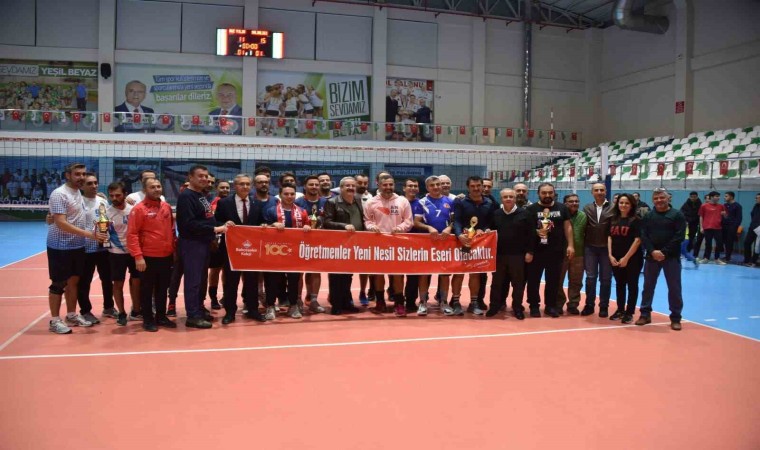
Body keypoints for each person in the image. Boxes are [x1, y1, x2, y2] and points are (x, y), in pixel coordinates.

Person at [46, 163, 107, 334]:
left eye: (83, 174)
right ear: (68, 175)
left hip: (77, 246)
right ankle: (54, 320)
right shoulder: (59, 194)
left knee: (73, 282)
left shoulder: (78, 193)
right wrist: (89, 235)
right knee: (58, 283)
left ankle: (71, 315)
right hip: (60, 246)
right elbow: (61, 222)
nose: (81, 177)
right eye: (77, 174)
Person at [176, 165, 231, 329]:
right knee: (193, 280)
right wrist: (215, 229)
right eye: (200, 176)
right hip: (192, 243)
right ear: (190, 177)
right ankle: (192, 316)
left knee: (201, 280)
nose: (204, 179)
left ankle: (199, 309)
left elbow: (206, 218)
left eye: (206, 176)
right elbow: (188, 224)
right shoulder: (186, 196)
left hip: (204, 243)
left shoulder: (201, 195)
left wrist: (222, 224)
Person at [214, 174, 265, 324]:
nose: (245, 187)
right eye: (242, 184)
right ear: (235, 186)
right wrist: (224, 224)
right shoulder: (224, 203)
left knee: (252, 281)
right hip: (231, 249)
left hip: (252, 250)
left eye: (248, 184)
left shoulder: (257, 203)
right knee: (231, 281)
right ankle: (230, 312)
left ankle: (253, 310)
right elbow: (216, 221)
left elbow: (262, 222)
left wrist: (264, 225)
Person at [127, 177, 176, 332]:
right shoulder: (139, 209)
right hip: (147, 257)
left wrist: (173, 250)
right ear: (145, 190)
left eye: (158, 186)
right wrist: (138, 256)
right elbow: (132, 234)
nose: (156, 189)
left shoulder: (166, 206)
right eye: (152, 187)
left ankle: (161, 316)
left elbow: (171, 229)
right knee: (147, 289)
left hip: (166, 256)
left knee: (163, 289)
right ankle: (148, 319)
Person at [364, 174, 414, 316]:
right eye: (385, 185)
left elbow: (408, 221)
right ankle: (380, 303)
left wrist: (400, 228)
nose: (388, 187)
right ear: (379, 185)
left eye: (391, 184)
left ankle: (399, 304)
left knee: (397, 274)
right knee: (379, 274)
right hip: (378, 243)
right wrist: (371, 226)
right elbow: (367, 220)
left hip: (397, 243)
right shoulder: (371, 202)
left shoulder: (402, 201)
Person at [262, 183, 312, 320]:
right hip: (275, 252)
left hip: (294, 252)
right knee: (272, 279)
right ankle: (270, 306)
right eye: (286, 194)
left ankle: (293, 306)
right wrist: (272, 225)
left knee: (294, 279)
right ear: (280, 195)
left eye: (292, 194)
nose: (289, 196)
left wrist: (307, 227)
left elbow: (309, 227)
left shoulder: (302, 211)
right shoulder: (270, 211)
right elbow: (262, 228)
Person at [638, 188, 686, 331]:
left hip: (671, 258)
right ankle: (645, 314)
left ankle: (675, 318)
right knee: (648, 287)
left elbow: (679, 236)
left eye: (662, 197)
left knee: (674, 288)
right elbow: (644, 235)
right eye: (656, 198)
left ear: (668, 198)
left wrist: (663, 252)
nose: (659, 200)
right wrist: (652, 251)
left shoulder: (677, 215)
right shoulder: (648, 216)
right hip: (651, 257)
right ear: (653, 200)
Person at [525, 182, 574, 318]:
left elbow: (568, 227)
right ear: (538, 194)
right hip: (536, 251)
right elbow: (527, 230)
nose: (547, 195)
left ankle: (550, 306)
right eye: (544, 193)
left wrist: (570, 245)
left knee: (553, 280)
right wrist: (531, 245)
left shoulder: (562, 208)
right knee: (533, 280)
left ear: (554, 193)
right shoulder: (531, 209)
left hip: (556, 251)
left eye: (550, 192)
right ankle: (534, 306)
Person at [451, 176, 497, 316]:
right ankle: (456, 302)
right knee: (459, 272)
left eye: (478, 185)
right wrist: (459, 234)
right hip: (462, 241)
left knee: (475, 272)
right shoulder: (460, 202)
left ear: (482, 186)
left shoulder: (489, 203)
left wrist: (485, 229)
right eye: (473, 186)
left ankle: (474, 303)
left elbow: (490, 222)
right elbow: (456, 220)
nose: (476, 188)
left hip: (479, 243)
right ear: (468, 187)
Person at [486, 188, 534, 319]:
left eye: (511, 197)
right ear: (501, 199)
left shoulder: (525, 214)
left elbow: (531, 234)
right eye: (505, 197)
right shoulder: (496, 214)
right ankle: (494, 307)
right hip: (499, 255)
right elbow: (490, 231)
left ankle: (517, 308)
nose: (508, 199)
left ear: (515, 198)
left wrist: (530, 252)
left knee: (518, 284)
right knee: (497, 283)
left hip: (518, 255)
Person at [323, 177, 365, 315]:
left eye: (353, 186)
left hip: (354, 244)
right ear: (341, 188)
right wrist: (343, 226)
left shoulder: (358, 201)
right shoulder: (332, 202)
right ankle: (336, 304)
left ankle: (347, 302)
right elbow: (327, 222)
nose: (351, 188)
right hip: (338, 245)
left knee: (348, 275)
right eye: (347, 186)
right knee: (336, 276)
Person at [76, 173, 113, 325]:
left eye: (95, 183)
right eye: (90, 183)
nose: (94, 186)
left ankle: (109, 307)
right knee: (85, 282)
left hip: (104, 247)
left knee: (107, 280)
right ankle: (85, 311)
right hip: (86, 248)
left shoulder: (102, 201)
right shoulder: (78, 202)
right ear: (82, 186)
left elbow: (106, 220)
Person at [414, 176, 454, 316]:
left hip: (445, 242)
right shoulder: (422, 202)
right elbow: (416, 222)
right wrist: (429, 227)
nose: (436, 187)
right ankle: (423, 302)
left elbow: (455, 220)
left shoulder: (450, 201)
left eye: (438, 184)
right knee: (424, 273)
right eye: (432, 185)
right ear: (427, 187)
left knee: (445, 274)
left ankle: (444, 302)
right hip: (427, 243)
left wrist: (449, 228)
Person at [105, 182, 140, 326]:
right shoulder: (107, 213)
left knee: (137, 281)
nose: (114, 198)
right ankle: (121, 313)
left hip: (134, 252)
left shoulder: (134, 210)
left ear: (125, 194)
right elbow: (102, 234)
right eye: (111, 195)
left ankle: (136, 310)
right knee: (118, 283)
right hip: (116, 253)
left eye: (118, 195)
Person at [607, 193, 643, 324]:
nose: (623, 205)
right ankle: (620, 309)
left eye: (627, 203)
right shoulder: (612, 219)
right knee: (620, 284)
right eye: (621, 202)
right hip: (616, 257)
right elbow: (609, 237)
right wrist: (610, 255)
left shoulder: (636, 220)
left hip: (633, 258)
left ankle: (630, 312)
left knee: (632, 285)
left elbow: (637, 240)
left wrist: (626, 258)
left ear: (632, 205)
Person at [295, 175, 328, 313]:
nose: (314, 187)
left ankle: (313, 300)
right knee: (298, 273)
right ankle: (297, 300)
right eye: (311, 184)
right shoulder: (297, 202)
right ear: (305, 186)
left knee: (315, 271)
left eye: (316, 184)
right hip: (299, 242)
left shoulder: (326, 202)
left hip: (318, 242)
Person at [581, 183, 613, 317]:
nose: (599, 192)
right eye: (596, 190)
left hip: (607, 249)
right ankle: (589, 305)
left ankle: (604, 307)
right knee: (590, 278)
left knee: (606, 279)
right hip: (590, 248)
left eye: (601, 190)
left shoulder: (613, 208)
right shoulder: (587, 208)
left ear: (605, 191)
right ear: (592, 192)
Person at [557, 193, 586, 315]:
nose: (574, 203)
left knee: (576, 281)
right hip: (561, 254)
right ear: (565, 203)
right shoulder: (559, 215)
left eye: (576, 201)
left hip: (578, 254)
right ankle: (558, 304)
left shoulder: (583, 216)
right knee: (558, 280)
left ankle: (573, 304)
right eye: (571, 201)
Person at [697, 191, 725, 264]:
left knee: (719, 243)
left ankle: (717, 259)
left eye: (719, 196)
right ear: (711, 197)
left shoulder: (721, 206)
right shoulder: (704, 206)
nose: (718, 198)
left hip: (718, 228)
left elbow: (725, 216)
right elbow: (701, 217)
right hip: (707, 227)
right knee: (708, 244)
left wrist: (724, 215)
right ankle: (706, 258)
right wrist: (701, 227)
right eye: (716, 196)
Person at [721, 191, 742, 264]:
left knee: (729, 242)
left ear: (731, 197)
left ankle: (728, 257)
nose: (724, 197)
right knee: (724, 241)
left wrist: (734, 227)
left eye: (726, 196)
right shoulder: (724, 205)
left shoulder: (737, 206)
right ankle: (726, 255)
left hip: (732, 226)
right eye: (725, 196)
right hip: (724, 226)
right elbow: (723, 216)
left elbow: (739, 218)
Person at [743, 193, 760, 267]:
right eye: (756, 198)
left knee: (757, 246)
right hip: (752, 228)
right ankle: (747, 260)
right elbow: (753, 216)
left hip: (759, 229)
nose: (756, 199)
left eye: (758, 198)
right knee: (747, 243)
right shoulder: (756, 206)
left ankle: (754, 261)